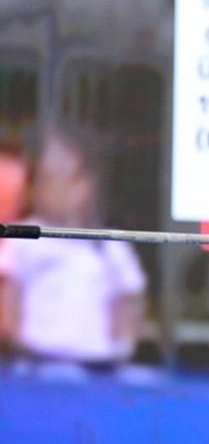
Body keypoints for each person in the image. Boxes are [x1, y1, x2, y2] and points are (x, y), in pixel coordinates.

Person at [0, 132, 146, 369]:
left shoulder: (111, 245)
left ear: (86, 185)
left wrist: (120, 351)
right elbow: (8, 301)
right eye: (47, 179)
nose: (58, 188)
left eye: (67, 178)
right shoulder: (22, 238)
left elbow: (128, 303)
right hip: (37, 364)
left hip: (98, 367)